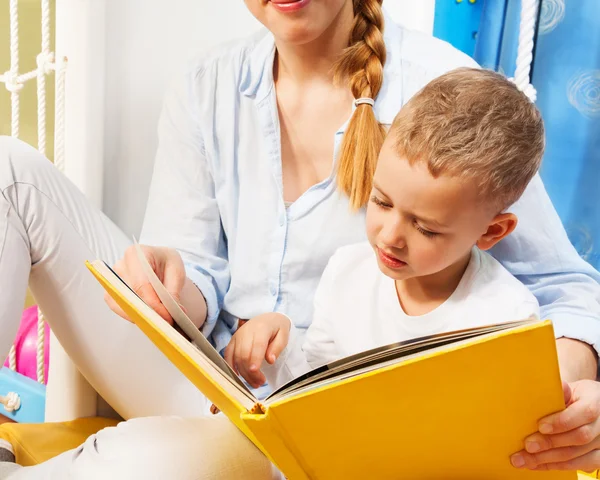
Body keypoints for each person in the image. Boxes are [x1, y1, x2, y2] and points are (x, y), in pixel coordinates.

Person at [0, 0, 598, 477]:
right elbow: (197, 274)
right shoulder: (207, 84)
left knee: (155, 461)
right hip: (213, 380)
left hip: (322, 435)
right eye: (383, 204)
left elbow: (566, 288)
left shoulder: (450, 100)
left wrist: (564, 398)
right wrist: (170, 289)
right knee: (8, 172)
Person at [226, 67, 547, 393]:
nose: (389, 237)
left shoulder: (507, 317)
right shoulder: (346, 271)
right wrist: (277, 343)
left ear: (491, 232)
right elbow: (314, 387)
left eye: (425, 229)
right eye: (381, 202)